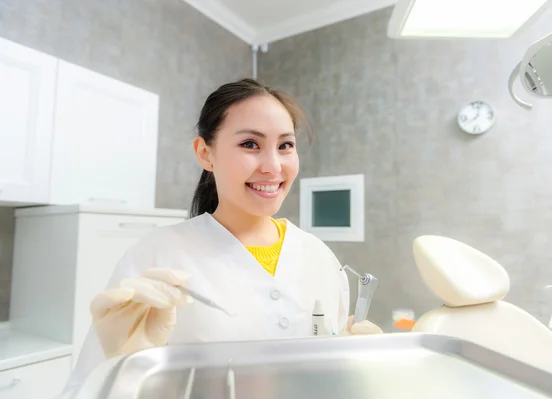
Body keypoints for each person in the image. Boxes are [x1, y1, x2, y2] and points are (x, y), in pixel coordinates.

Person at [61, 77, 382, 396]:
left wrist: (356, 368)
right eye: (250, 144)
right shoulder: (154, 256)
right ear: (205, 153)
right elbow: (83, 389)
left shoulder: (318, 255)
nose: (273, 166)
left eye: (285, 145)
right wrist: (121, 367)